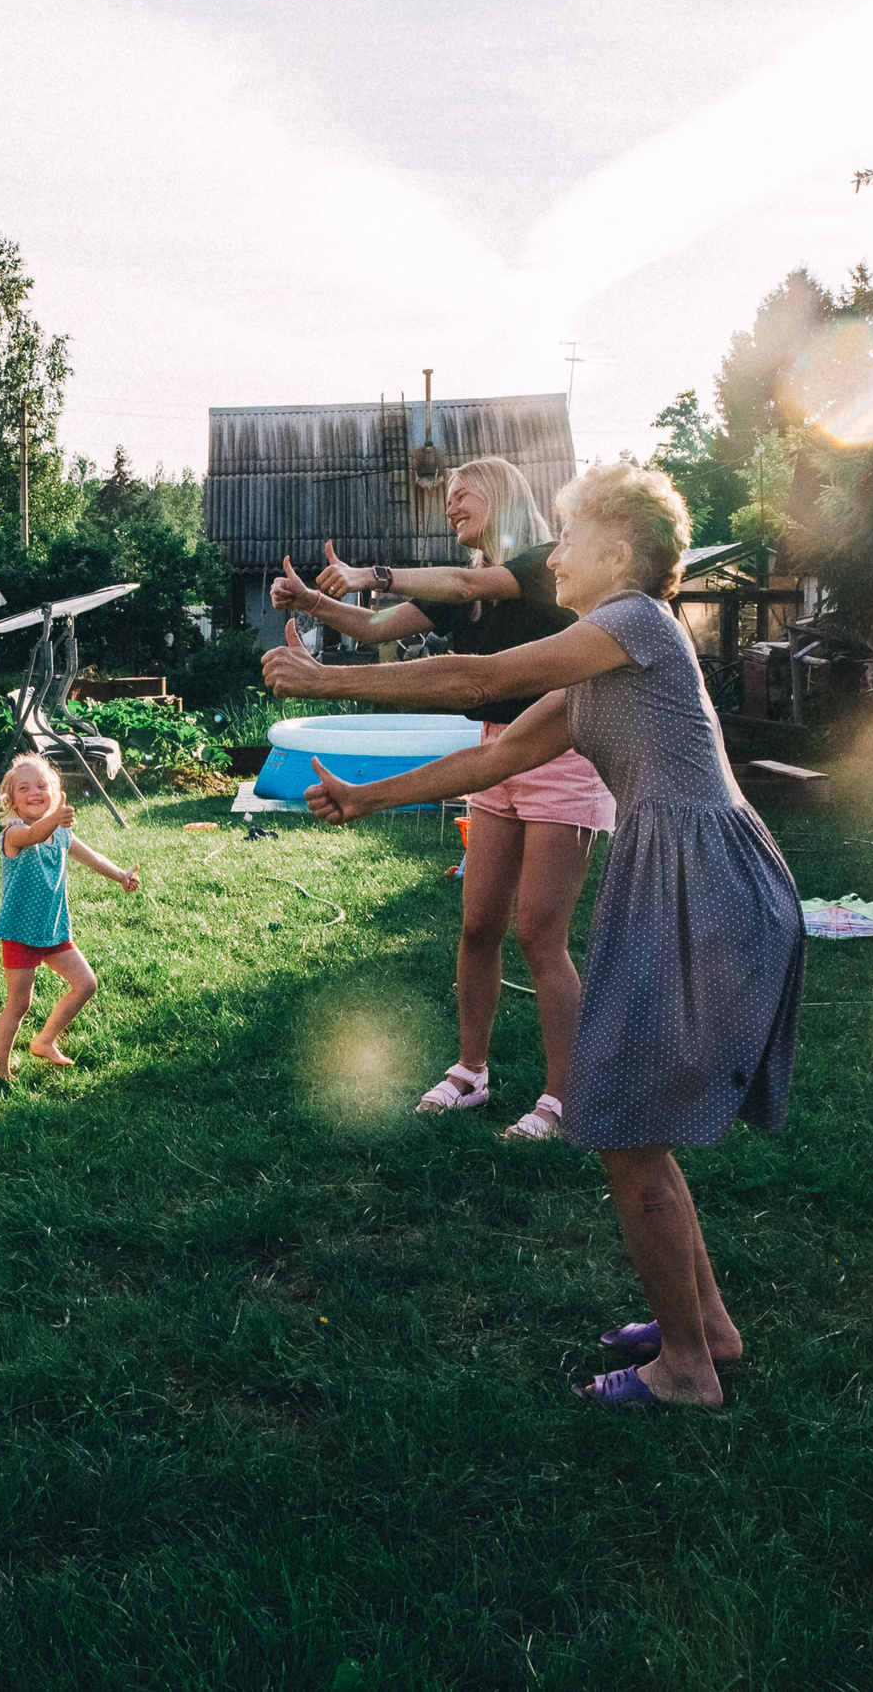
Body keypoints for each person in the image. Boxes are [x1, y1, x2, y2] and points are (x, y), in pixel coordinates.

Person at [265, 462, 804, 1409]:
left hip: (703, 886)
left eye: (566, 538)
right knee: (641, 1126)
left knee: (628, 1128)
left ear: (621, 552)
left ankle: (684, 1371)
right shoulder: (602, 662)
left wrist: (325, 677)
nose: (551, 554)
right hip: (687, 879)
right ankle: (707, 1328)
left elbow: (480, 674)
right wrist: (364, 795)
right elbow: (497, 750)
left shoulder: (637, 618)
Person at [269, 456, 614, 1139]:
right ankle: (471, 1072)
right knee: (478, 924)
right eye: (448, 499)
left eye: (463, 495)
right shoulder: (457, 591)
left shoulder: (545, 562)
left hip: (560, 749)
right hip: (492, 750)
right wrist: (315, 602)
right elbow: (372, 628)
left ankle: (564, 1097)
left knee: (541, 932)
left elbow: (460, 578)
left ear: (503, 496)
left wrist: (374, 573)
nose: (451, 507)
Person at [0, 754, 140, 1079]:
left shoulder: (61, 834)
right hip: (19, 932)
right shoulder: (13, 834)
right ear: (12, 801)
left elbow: (92, 857)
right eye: (24, 787)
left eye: (42, 785)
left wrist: (120, 875)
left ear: (56, 792)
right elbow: (33, 836)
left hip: (53, 930)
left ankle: (44, 1041)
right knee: (19, 1004)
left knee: (85, 984)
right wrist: (55, 818)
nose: (34, 792)